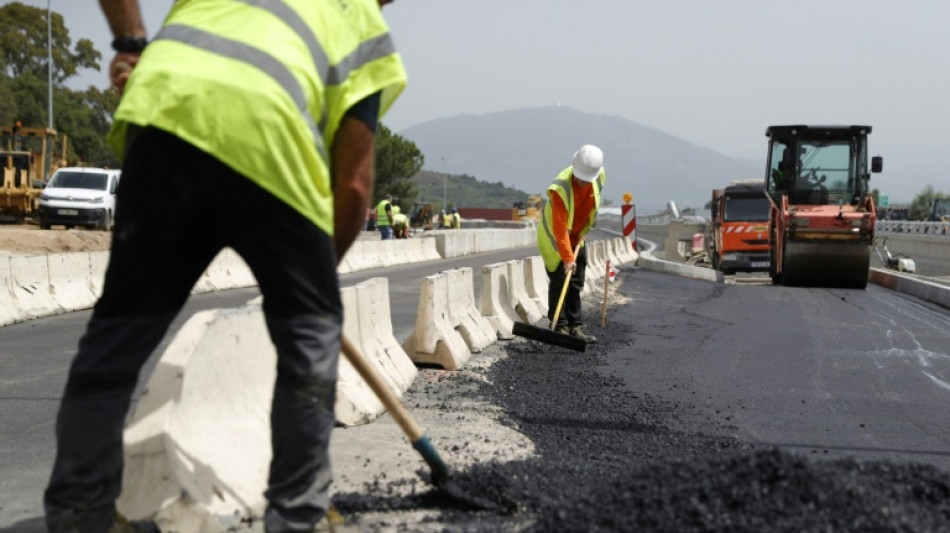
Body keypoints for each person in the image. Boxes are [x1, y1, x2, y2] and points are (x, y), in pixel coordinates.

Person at [45, 1, 407, 533]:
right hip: (272, 149)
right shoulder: (361, 25)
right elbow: (353, 184)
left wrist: (131, 40)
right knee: (308, 349)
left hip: (163, 127)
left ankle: (78, 515)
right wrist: (311, 293)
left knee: (116, 342)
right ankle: (296, 516)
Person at [536, 144, 605, 344]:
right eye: (580, 178)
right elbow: (559, 230)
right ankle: (559, 325)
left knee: (576, 281)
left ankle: (575, 326)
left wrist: (581, 232)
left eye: (586, 180)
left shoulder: (598, 175)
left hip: (577, 237)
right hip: (554, 240)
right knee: (560, 281)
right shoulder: (560, 189)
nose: (582, 182)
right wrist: (567, 259)